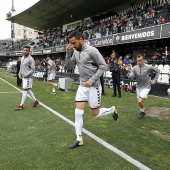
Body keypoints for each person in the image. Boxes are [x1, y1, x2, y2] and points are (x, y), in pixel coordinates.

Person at [66, 30, 118, 149]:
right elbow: (69, 67)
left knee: (95, 114)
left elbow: (103, 66)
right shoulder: (74, 52)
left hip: (94, 87)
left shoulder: (92, 50)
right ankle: (79, 139)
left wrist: (92, 80)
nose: (72, 46)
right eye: (70, 44)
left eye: (73, 43)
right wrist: (68, 54)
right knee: (78, 112)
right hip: (82, 87)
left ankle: (111, 110)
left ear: (81, 40)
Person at [128, 54, 160, 119]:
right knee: (140, 101)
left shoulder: (148, 67)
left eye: (140, 60)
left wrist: (154, 80)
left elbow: (158, 70)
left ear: (144, 60)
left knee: (139, 101)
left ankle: (142, 111)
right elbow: (132, 74)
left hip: (146, 87)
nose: (138, 62)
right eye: (137, 61)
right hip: (138, 87)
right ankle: (142, 111)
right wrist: (130, 75)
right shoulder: (134, 68)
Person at [15, 46, 39, 110]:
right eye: (24, 50)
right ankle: (35, 101)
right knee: (27, 90)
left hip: (28, 77)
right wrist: (19, 73)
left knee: (25, 90)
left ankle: (21, 105)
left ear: (29, 51)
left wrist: (26, 75)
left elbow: (33, 69)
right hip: (23, 77)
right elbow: (21, 67)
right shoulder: (22, 58)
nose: (25, 51)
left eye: (26, 50)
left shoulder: (31, 59)